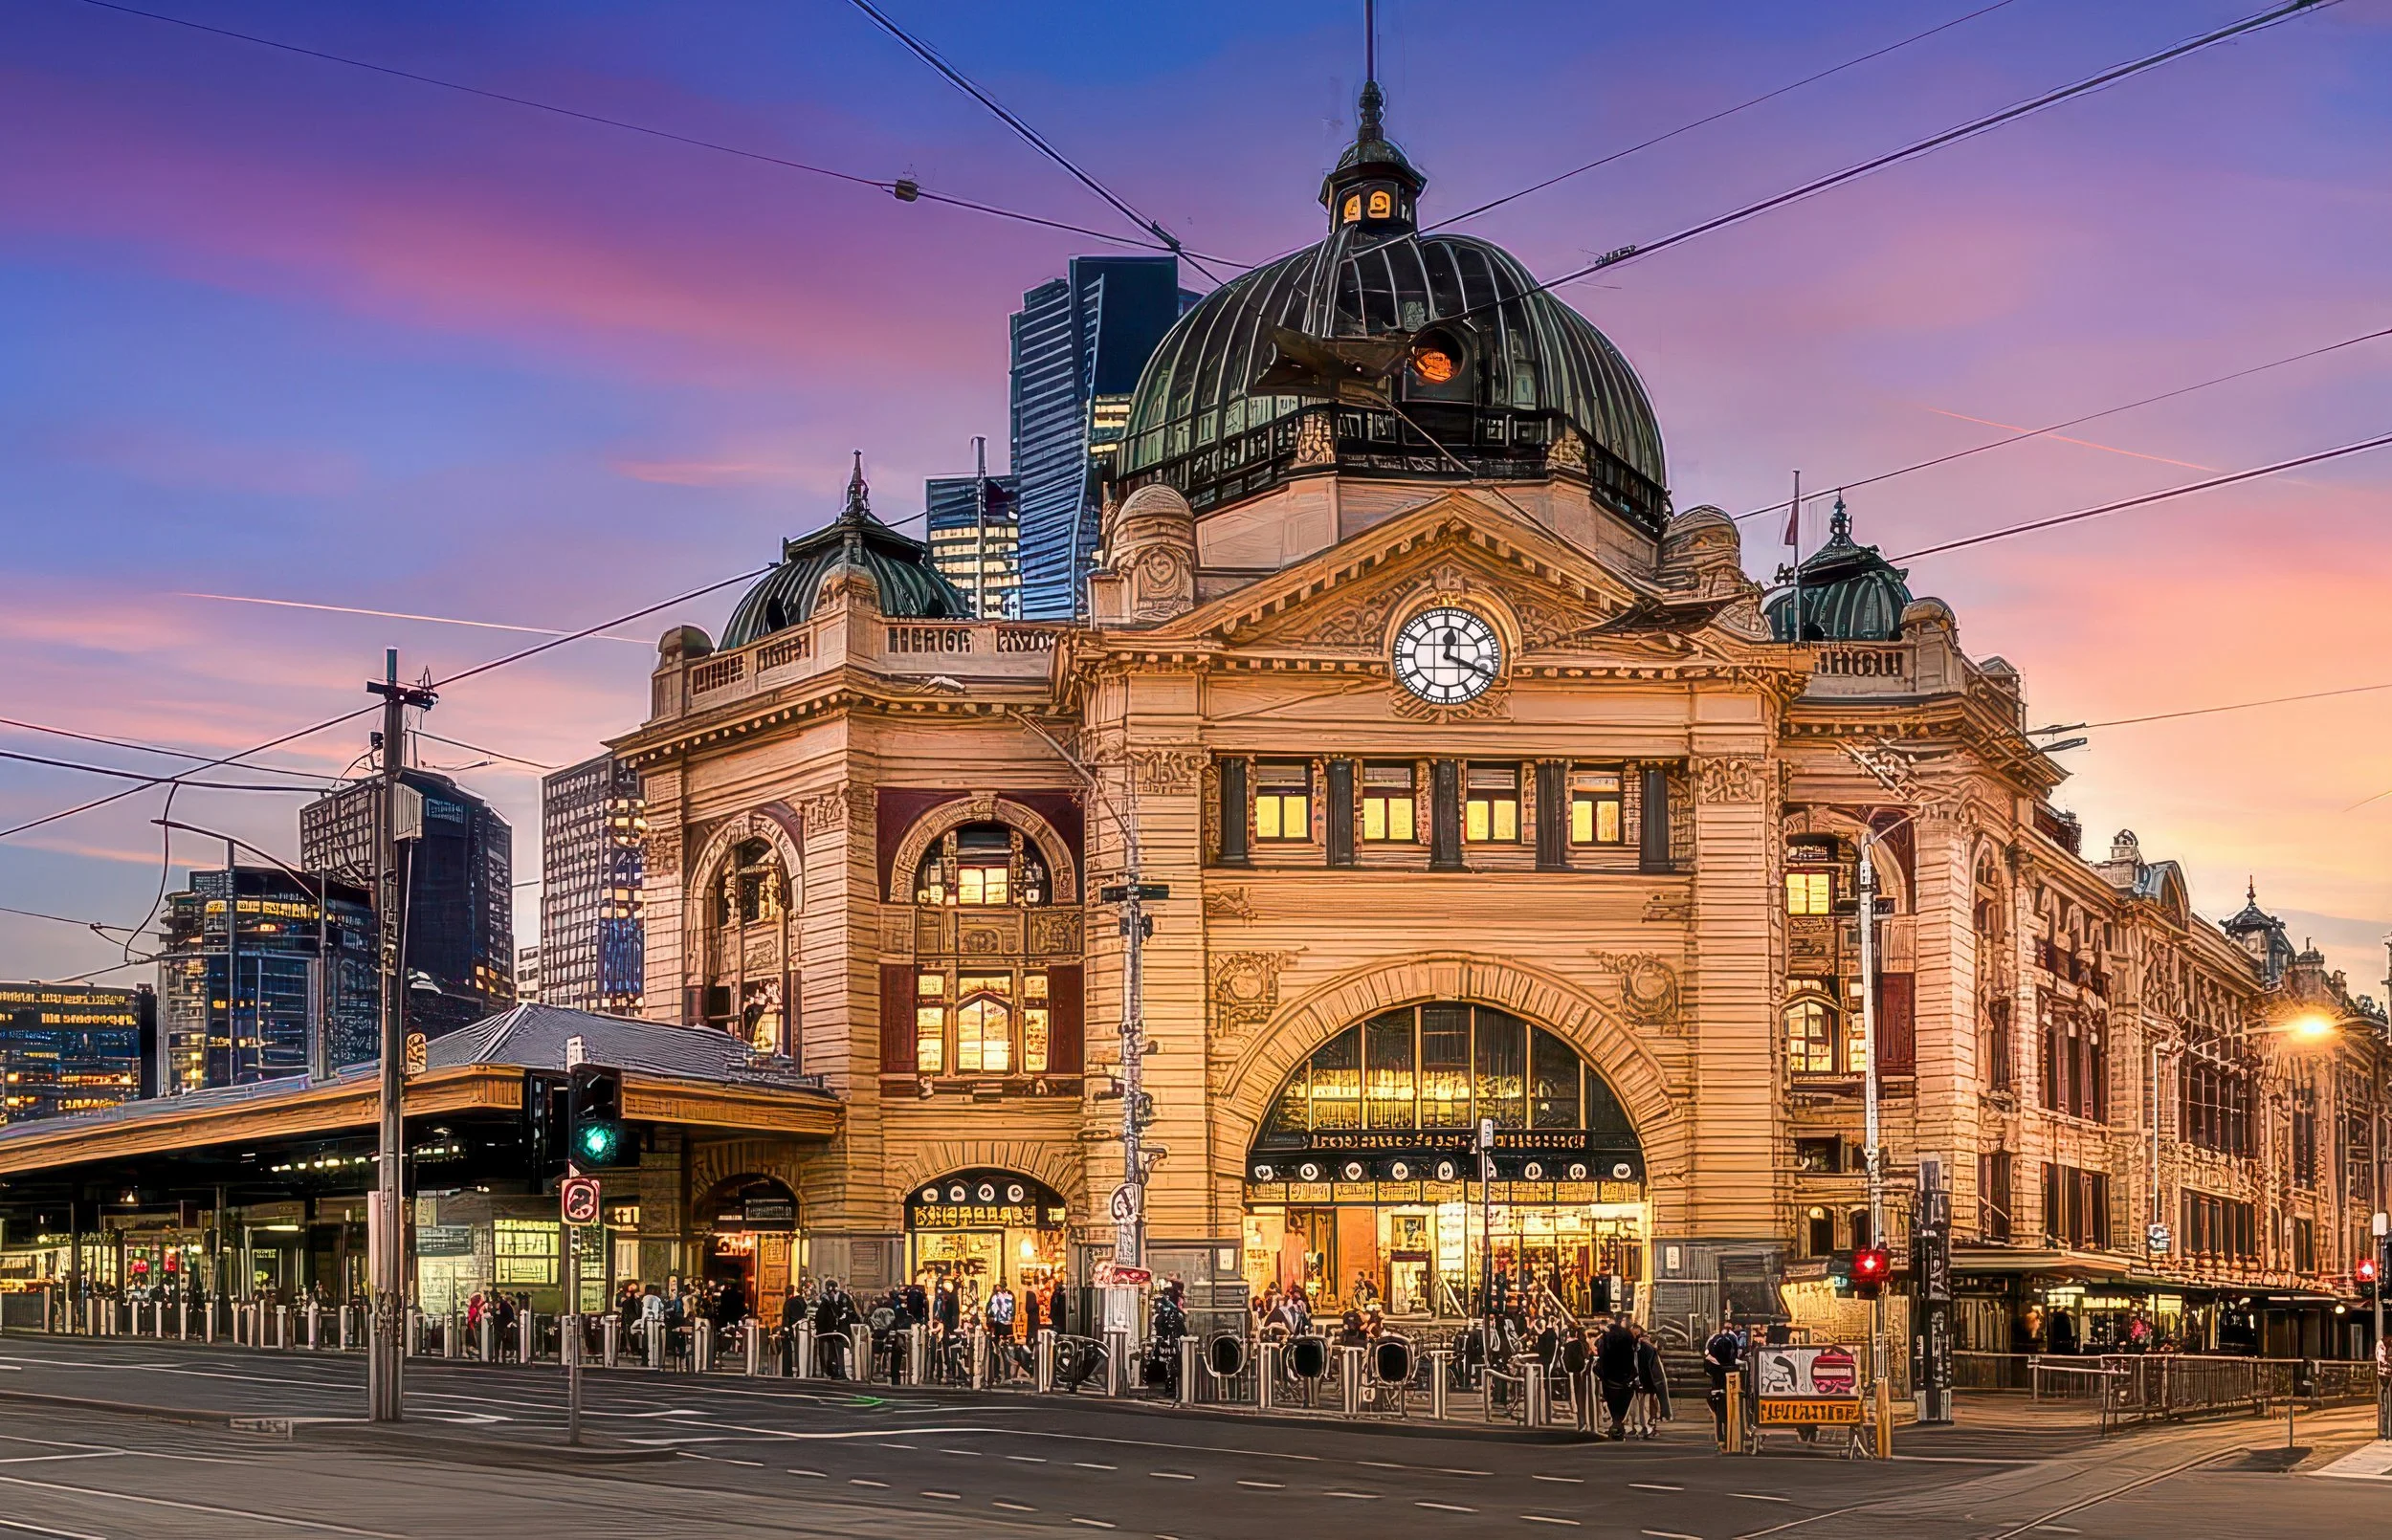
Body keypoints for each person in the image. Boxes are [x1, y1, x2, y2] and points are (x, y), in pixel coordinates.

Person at [1592, 1312, 1639, 1441]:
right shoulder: (1628, 1336)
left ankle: (1616, 1422)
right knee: (1622, 1402)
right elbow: (1633, 1354)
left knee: (1612, 1401)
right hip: (1625, 1375)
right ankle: (1618, 1422)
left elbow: (1601, 1352)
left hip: (1609, 1375)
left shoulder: (1606, 1337)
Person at [1703, 1318, 1743, 1446]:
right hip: (1727, 1379)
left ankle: (1721, 1437)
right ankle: (1726, 1435)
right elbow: (1736, 1354)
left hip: (1717, 1380)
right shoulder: (1731, 1340)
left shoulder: (1715, 1340)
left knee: (1719, 1413)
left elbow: (1707, 1355)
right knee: (1726, 1412)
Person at [1630, 1322, 1672, 1439]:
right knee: (1637, 1406)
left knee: (1646, 1405)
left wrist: (1655, 1383)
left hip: (1646, 1381)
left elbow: (1655, 1370)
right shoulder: (1629, 1348)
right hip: (1634, 1381)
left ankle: (1648, 1426)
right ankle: (1640, 1426)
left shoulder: (1648, 1350)